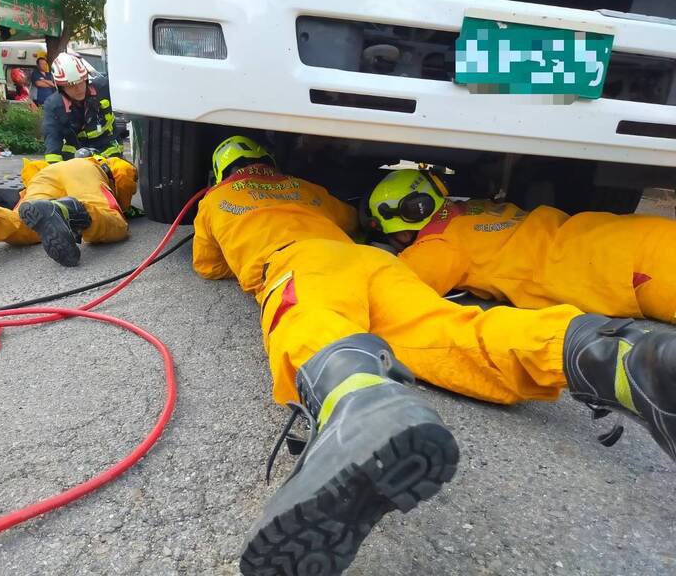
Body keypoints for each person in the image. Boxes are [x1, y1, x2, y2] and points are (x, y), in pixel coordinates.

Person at [193, 136, 676, 576]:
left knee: (311, 318)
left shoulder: (215, 200)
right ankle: (614, 355)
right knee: (454, 331)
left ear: (221, 171)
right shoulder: (310, 191)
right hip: (376, 265)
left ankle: (355, 405)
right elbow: (351, 220)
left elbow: (208, 265)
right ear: (269, 163)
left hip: (303, 260)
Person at [364, 167, 676, 323]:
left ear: (401, 229)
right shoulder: (471, 208)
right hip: (638, 233)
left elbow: (390, 288)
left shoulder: (439, 246)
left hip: (628, 270)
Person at [0, 151, 137, 271]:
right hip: (82, 173)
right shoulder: (97, 162)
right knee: (112, 222)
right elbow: (126, 175)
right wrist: (123, 205)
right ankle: (70, 212)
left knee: (23, 223)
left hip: (43, 175)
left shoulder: (48, 166)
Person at [42, 52, 123, 164]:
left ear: (86, 79)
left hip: (109, 152)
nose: (78, 89)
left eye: (80, 82)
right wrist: (55, 170)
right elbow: (52, 139)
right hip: (75, 159)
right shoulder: (54, 105)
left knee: (123, 174)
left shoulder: (104, 88)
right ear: (61, 88)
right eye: (71, 85)